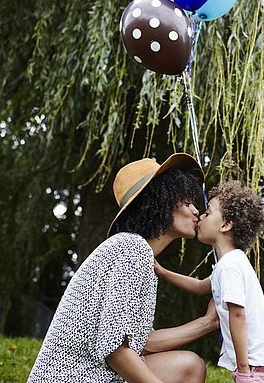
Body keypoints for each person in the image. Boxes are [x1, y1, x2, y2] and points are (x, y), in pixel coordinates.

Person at [28, 153, 219, 383]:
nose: (196, 211)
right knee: (188, 367)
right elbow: (116, 350)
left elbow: (141, 342)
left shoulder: (139, 254)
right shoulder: (132, 248)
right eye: (188, 203)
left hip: (93, 374)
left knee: (189, 366)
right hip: (75, 377)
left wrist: (208, 323)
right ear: (161, 201)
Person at [155, 180, 264, 382]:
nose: (201, 215)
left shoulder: (230, 266)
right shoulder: (228, 264)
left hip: (258, 369)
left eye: (208, 212)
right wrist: (163, 272)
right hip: (259, 366)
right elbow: (200, 287)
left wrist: (243, 371)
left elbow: (238, 315)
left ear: (225, 225)